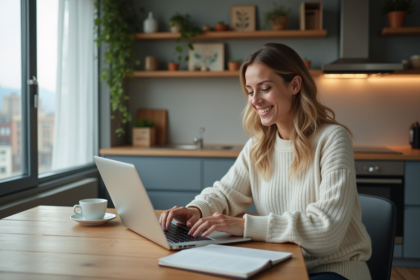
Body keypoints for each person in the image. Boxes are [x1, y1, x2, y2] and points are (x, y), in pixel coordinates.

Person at [159, 43, 372, 280]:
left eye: (265, 89)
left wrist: (244, 226)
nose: (255, 100)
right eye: (250, 91)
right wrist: (196, 210)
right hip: (283, 263)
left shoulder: (332, 139)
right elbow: (226, 192)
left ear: (294, 85)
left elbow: (327, 232)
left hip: (333, 269)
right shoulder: (259, 145)